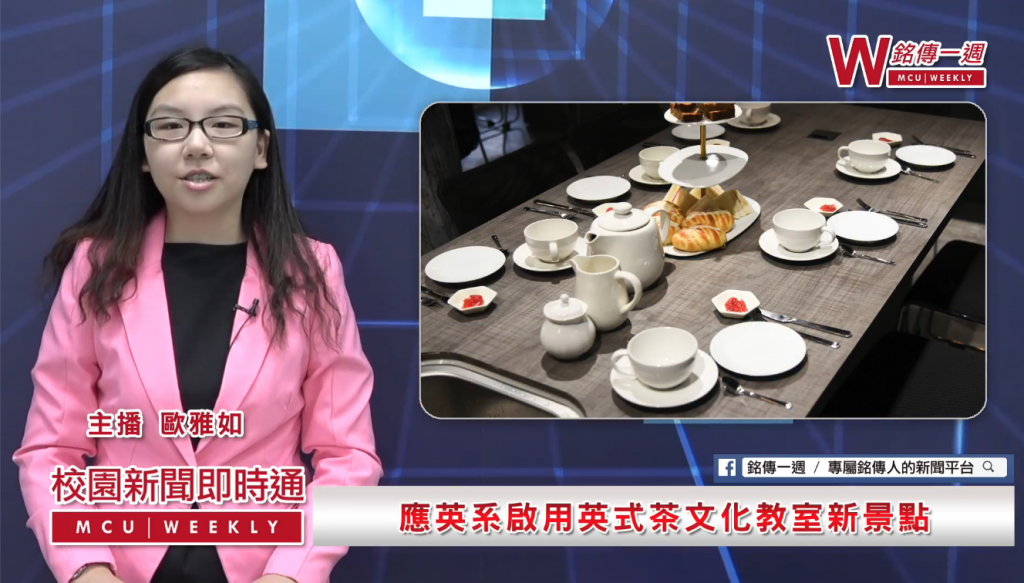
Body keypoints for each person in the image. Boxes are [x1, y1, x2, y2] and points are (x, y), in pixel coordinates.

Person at [13, 46, 383, 583]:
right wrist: (86, 569)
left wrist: (291, 573)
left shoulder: (312, 271)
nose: (197, 145)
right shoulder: (96, 268)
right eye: (170, 127)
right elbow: (52, 449)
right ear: (144, 152)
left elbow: (348, 456)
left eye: (223, 125)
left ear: (261, 148)